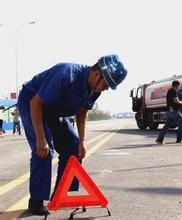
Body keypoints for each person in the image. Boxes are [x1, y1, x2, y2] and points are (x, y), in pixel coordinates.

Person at [18, 55, 127, 216]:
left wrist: (82, 141)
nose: (105, 89)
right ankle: (36, 202)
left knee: (74, 148)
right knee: (44, 151)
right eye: (106, 84)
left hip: (54, 110)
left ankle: (61, 195)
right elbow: (36, 103)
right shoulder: (65, 74)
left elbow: (82, 112)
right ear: (97, 74)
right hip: (32, 103)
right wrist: (41, 139)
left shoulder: (94, 89)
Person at [156, 80, 182, 145]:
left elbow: (173, 100)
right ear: (177, 85)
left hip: (169, 111)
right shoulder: (174, 91)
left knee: (166, 126)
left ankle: (159, 140)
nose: (179, 87)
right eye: (178, 86)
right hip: (175, 111)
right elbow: (175, 101)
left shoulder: (169, 91)